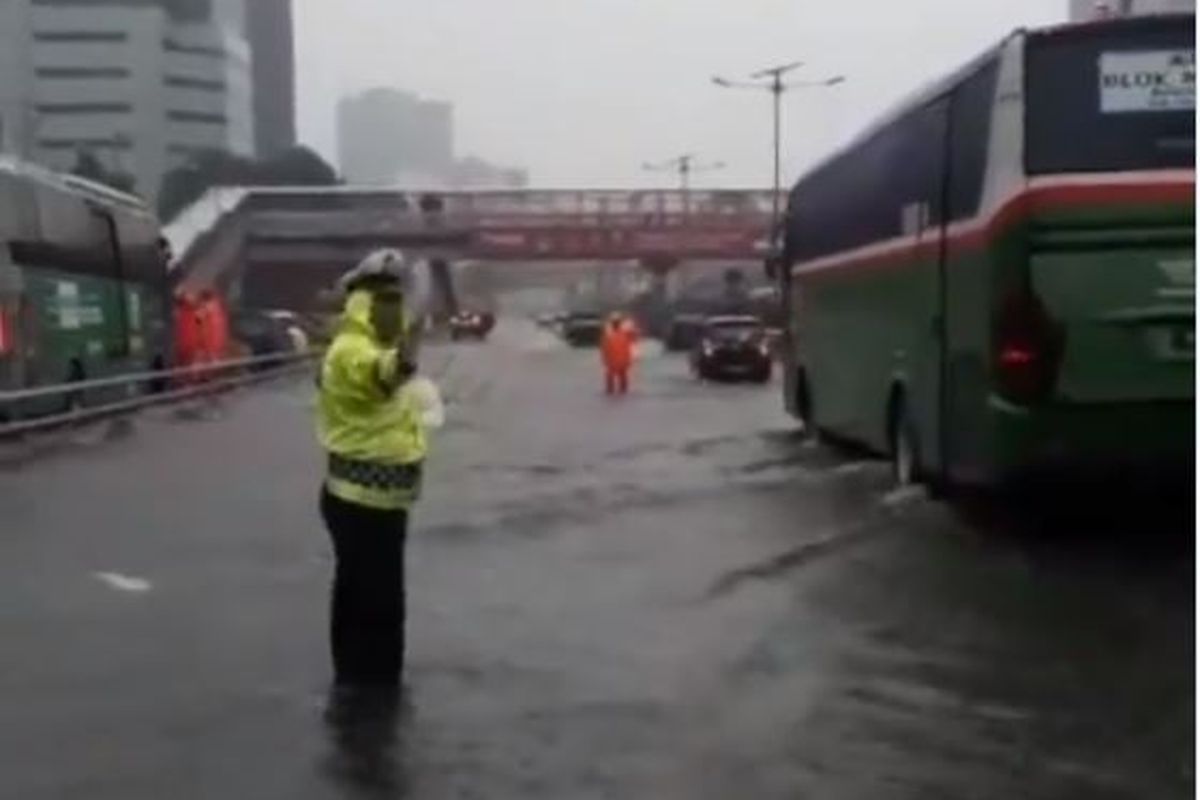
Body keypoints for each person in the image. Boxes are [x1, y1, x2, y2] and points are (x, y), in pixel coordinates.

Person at [316, 248, 435, 690]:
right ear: (364, 303)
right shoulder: (353, 350)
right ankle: (369, 686)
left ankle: (360, 677)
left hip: (379, 498)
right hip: (360, 500)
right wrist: (414, 339)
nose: (395, 308)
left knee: (366, 593)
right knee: (375, 599)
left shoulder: (367, 344)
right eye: (386, 300)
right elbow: (385, 374)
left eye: (397, 299)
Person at [601, 312, 636, 396]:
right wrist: (605, 359)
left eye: (617, 322)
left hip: (621, 359)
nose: (615, 324)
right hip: (613, 360)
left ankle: (621, 390)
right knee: (611, 376)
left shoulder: (624, 333)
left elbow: (633, 339)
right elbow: (605, 348)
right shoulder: (609, 334)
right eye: (614, 322)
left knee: (621, 376)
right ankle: (611, 390)